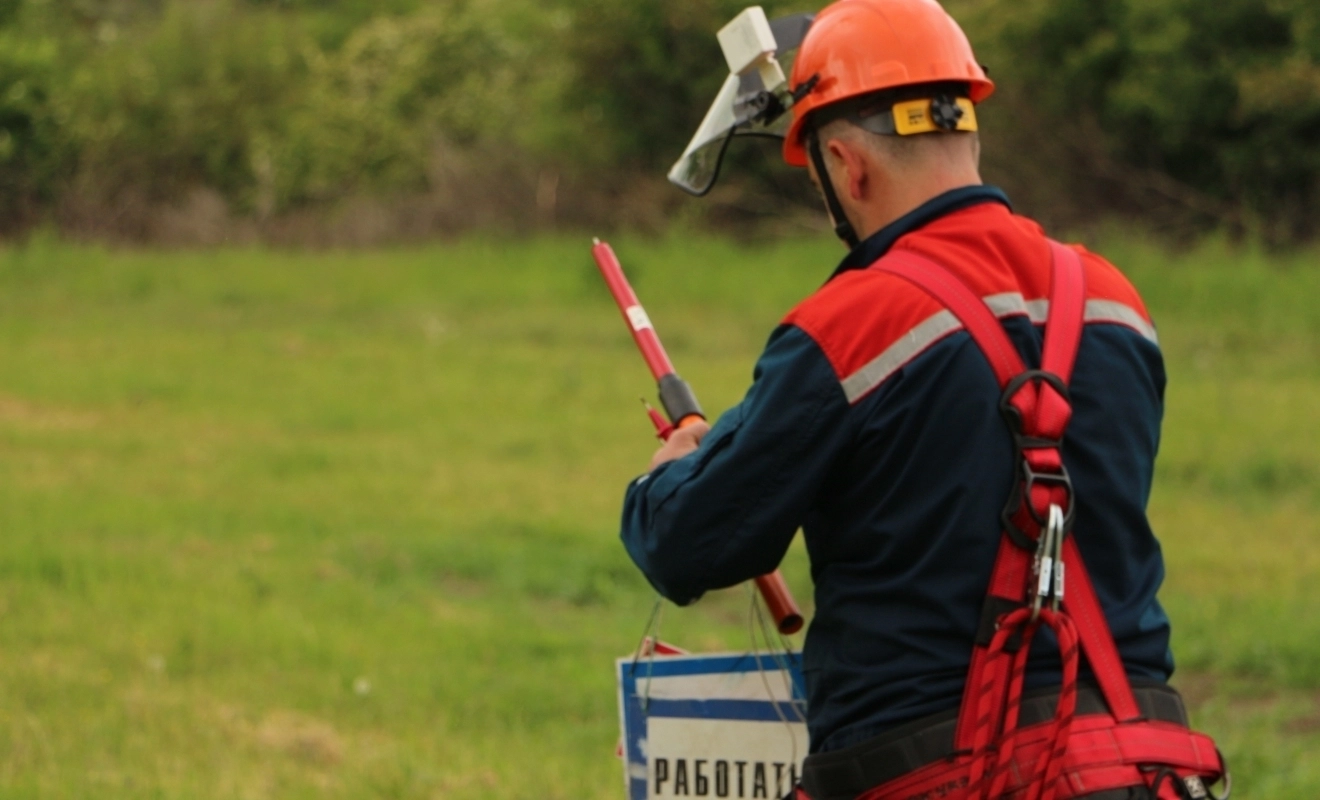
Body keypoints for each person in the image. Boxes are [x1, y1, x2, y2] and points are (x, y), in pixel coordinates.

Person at [619, 1, 1226, 798]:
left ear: (847, 165)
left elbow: (689, 545)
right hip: (1138, 765)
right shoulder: (1115, 301)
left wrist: (667, 475)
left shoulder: (850, 326)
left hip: (934, 771)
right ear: (967, 133)